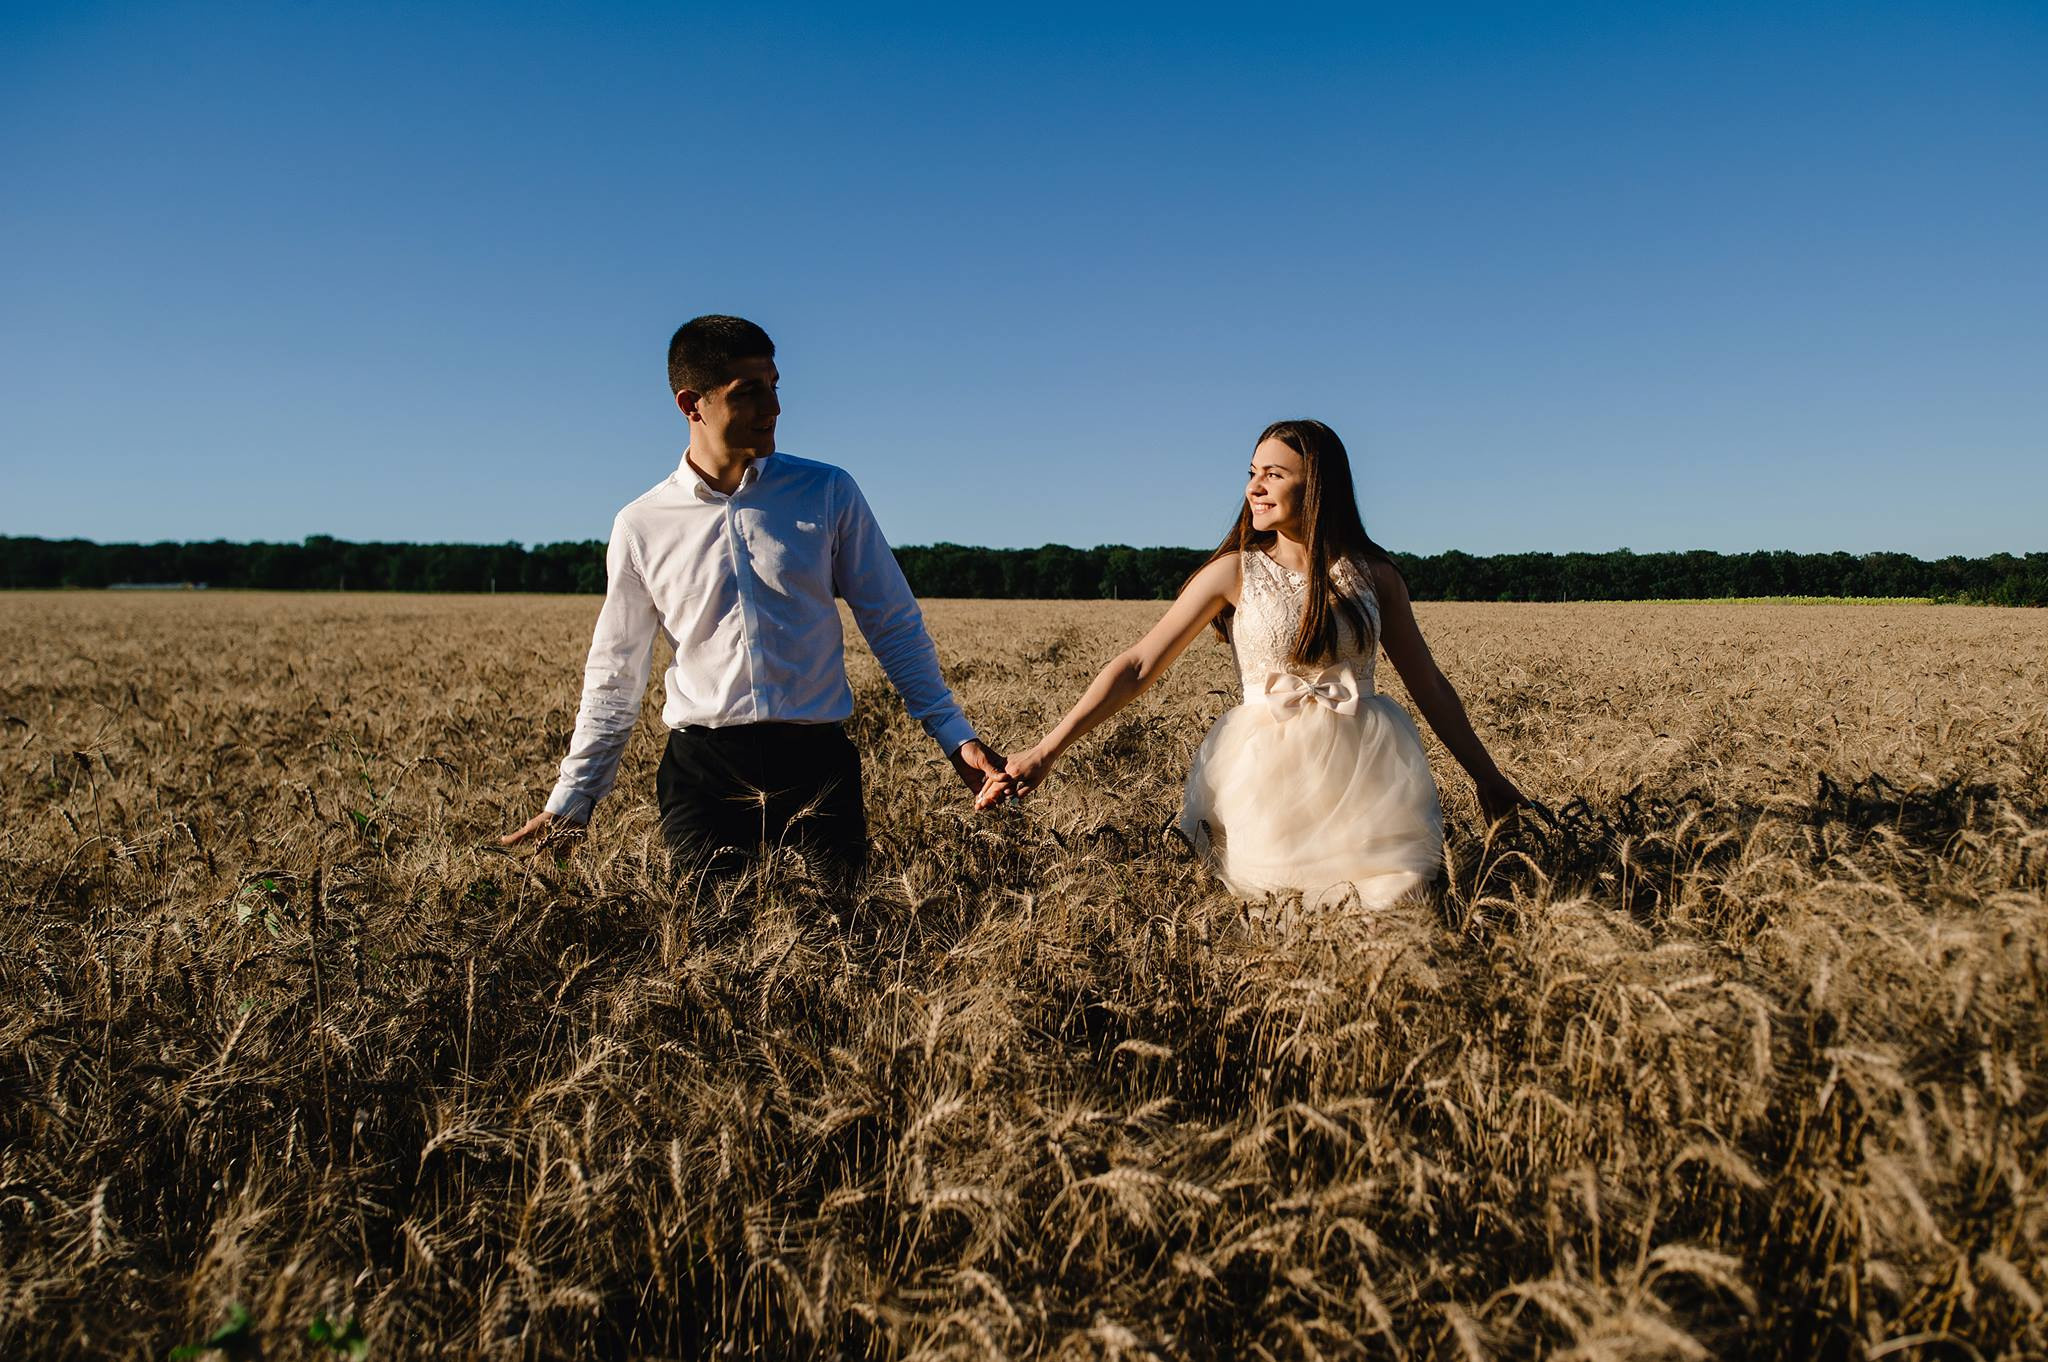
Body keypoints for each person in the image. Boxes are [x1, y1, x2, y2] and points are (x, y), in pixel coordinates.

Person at [504, 315, 1007, 878]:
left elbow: (892, 623)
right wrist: (574, 798)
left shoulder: (827, 492)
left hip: (816, 763)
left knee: (841, 943)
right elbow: (615, 674)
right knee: (713, 951)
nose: (774, 406)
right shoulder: (641, 525)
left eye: (775, 384)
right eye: (750, 392)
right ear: (691, 403)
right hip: (704, 775)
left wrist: (954, 736)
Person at [981, 419, 1525, 907]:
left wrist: (1488, 776)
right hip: (1266, 784)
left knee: (1390, 906)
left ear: (1317, 485)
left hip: (1370, 782)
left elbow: (1428, 684)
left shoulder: (1375, 575)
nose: (1254, 487)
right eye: (1252, 472)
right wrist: (1047, 750)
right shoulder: (1233, 572)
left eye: (1274, 474)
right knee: (1280, 913)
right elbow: (1139, 665)